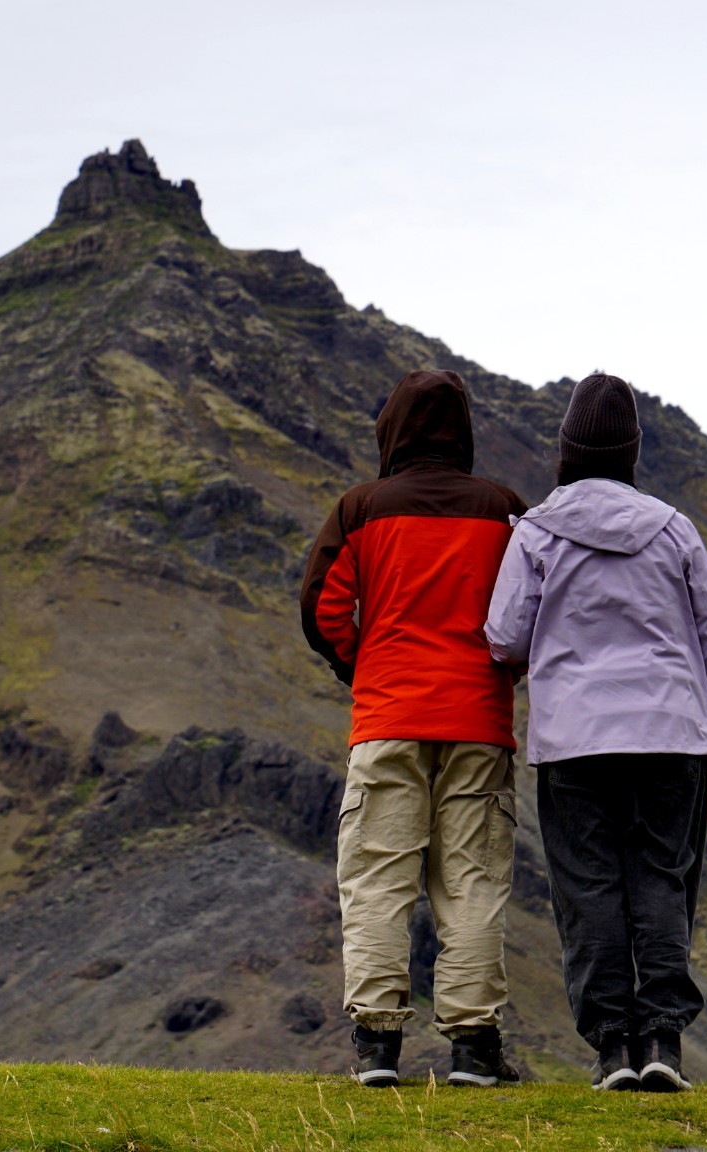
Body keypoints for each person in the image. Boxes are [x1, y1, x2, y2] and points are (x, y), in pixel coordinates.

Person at [483, 372, 707, 1093]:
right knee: (661, 881)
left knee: (590, 888)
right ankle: (663, 1041)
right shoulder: (675, 530)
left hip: (575, 742)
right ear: (631, 451)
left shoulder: (536, 532)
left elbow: (505, 639)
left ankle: (611, 1052)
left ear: (566, 449)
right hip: (673, 735)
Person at [299, 368, 528, 1088]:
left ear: (390, 429)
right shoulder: (503, 510)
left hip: (389, 718)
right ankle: (473, 1048)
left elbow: (322, 609)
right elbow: (528, 610)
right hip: (478, 723)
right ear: (463, 430)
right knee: (472, 880)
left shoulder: (361, 510)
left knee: (377, 879)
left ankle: (376, 1047)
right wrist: (502, 673)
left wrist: (359, 667)